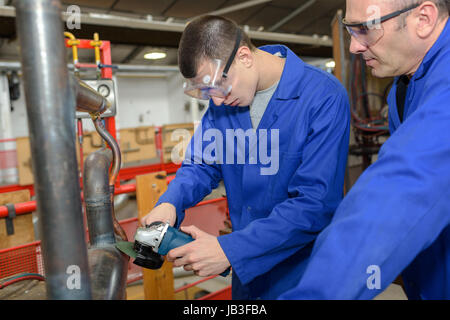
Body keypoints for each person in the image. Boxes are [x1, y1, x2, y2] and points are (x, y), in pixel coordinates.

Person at [141, 15, 350, 299]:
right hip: (248, 277)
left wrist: (230, 249)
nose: (216, 101)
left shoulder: (323, 97)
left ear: (244, 57)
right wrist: (170, 203)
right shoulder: (225, 101)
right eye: (206, 92)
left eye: (218, 85)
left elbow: (314, 203)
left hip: (305, 273)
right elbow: (201, 164)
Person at [279, 0, 450, 300]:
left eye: (365, 29)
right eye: (350, 30)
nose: (353, 48)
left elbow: (401, 191)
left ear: (423, 19)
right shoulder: (404, 87)